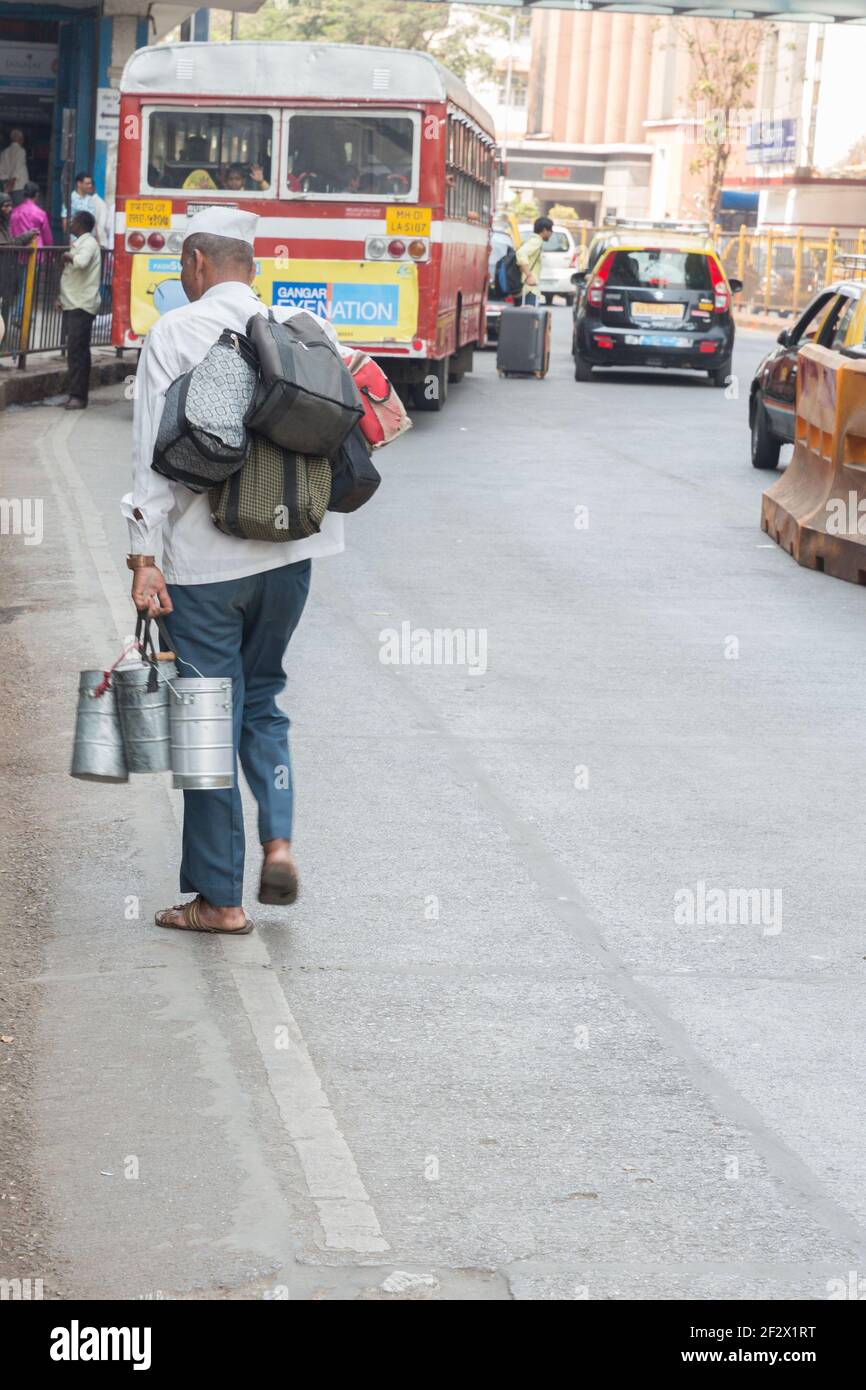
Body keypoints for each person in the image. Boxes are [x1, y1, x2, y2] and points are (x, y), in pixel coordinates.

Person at [122, 206, 345, 936]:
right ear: (250, 264)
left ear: (195, 263)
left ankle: (219, 900)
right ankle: (277, 838)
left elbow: (151, 461)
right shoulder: (303, 328)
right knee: (265, 700)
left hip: (206, 564)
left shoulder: (176, 333)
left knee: (205, 721)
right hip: (292, 557)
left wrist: (143, 558)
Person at [59, 210, 101, 410]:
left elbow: (81, 262)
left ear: (80, 223)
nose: (71, 223)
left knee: (78, 352)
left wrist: (68, 256)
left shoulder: (89, 243)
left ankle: (78, 396)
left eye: (73, 220)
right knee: (76, 351)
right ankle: (75, 394)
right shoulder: (82, 242)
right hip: (73, 302)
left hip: (82, 304)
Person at [62, 171, 111, 248]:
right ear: (79, 184)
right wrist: (69, 242)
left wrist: (97, 241)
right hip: (76, 242)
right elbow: (65, 222)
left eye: (90, 183)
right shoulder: (70, 199)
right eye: (87, 184)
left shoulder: (91, 200)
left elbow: (94, 222)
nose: (90, 186)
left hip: (90, 242)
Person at [516, 216, 553, 307]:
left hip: (527, 288)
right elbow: (521, 253)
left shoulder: (531, 240)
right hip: (529, 289)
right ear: (544, 230)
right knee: (529, 319)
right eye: (550, 230)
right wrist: (529, 275)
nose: (551, 233)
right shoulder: (536, 241)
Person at [9, 183, 52, 248]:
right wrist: (50, 255)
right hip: (37, 253)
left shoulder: (14, 212)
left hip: (18, 253)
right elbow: (47, 238)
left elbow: (10, 233)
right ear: (37, 194)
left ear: (23, 195)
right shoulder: (41, 213)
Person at [0, 129, 29, 201]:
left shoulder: (4, 152)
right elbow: (17, 169)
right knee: (19, 209)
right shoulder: (21, 151)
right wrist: (11, 184)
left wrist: (6, 187)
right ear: (21, 139)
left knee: (8, 209)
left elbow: (1, 171)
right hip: (19, 187)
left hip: (6, 186)